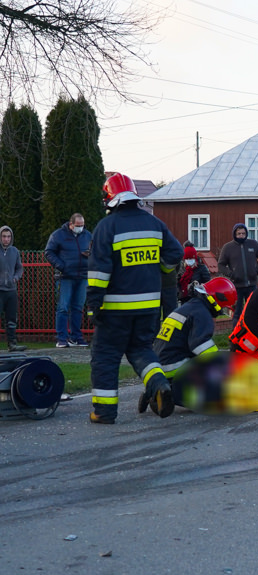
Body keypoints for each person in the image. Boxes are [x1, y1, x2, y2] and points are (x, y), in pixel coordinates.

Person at [86, 173, 183, 424]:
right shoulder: (154, 223)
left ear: (110, 198)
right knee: (141, 350)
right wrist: (160, 270)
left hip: (115, 309)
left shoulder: (107, 227)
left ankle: (104, 412)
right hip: (149, 307)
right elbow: (175, 253)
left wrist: (93, 305)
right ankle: (159, 383)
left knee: (106, 356)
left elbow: (98, 273)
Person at [143, 277, 236, 413]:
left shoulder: (188, 307)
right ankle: (168, 395)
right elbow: (200, 346)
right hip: (175, 368)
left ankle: (156, 388)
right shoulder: (202, 314)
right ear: (218, 300)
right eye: (223, 306)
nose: (221, 310)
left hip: (158, 368)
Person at [45, 213, 93, 348]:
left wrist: (89, 256)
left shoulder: (88, 235)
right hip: (65, 276)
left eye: (82, 225)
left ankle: (76, 337)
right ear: (71, 224)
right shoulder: (58, 235)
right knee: (63, 307)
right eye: (78, 226)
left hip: (83, 276)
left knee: (78, 308)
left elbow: (94, 249)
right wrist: (61, 266)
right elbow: (49, 252)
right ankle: (61, 338)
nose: (80, 228)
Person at [217, 223, 258, 327]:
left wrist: (257, 270)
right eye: (239, 233)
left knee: (253, 310)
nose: (241, 236)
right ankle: (236, 334)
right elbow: (221, 265)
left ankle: (253, 331)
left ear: (246, 234)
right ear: (234, 234)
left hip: (251, 284)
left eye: (243, 233)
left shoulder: (253, 244)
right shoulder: (228, 247)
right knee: (237, 313)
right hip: (236, 287)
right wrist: (231, 274)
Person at [0, 226, 27, 352]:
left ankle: (12, 344)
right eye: (4, 236)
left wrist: (16, 277)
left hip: (11, 290)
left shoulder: (15, 251)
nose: (6, 239)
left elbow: (19, 267)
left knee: (11, 318)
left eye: (8, 236)